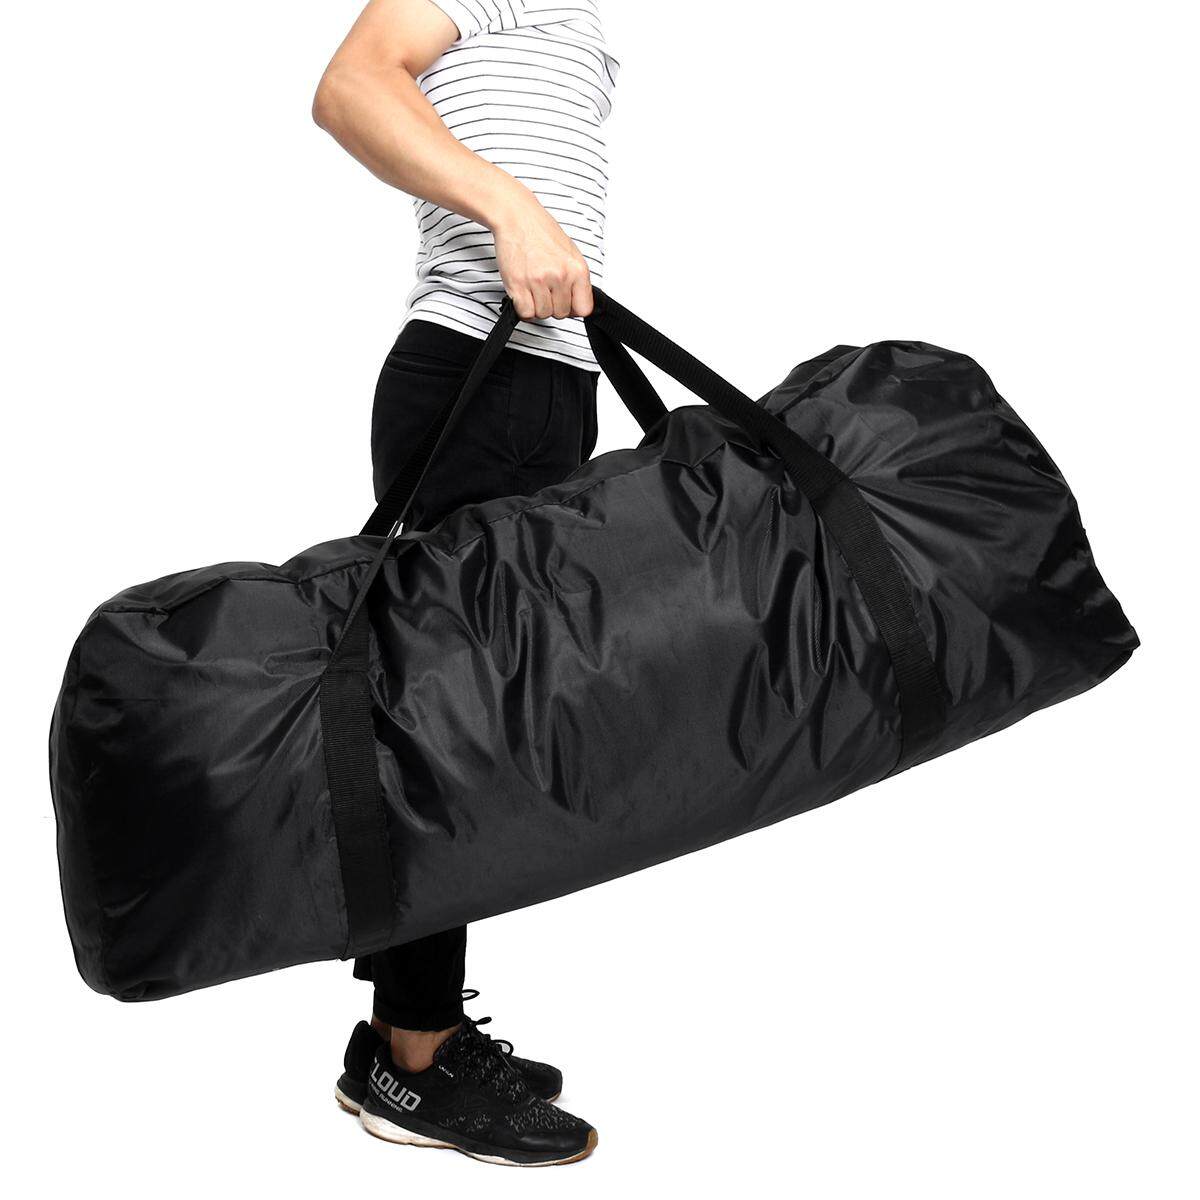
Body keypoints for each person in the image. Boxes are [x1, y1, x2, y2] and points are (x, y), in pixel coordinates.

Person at [312, 0, 616, 1167]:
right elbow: (350, 86)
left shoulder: (573, 19)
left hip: (542, 381)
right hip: (476, 376)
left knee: (484, 727)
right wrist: (512, 208)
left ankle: (411, 1030)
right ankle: (415, 1057)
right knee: (450, 732)